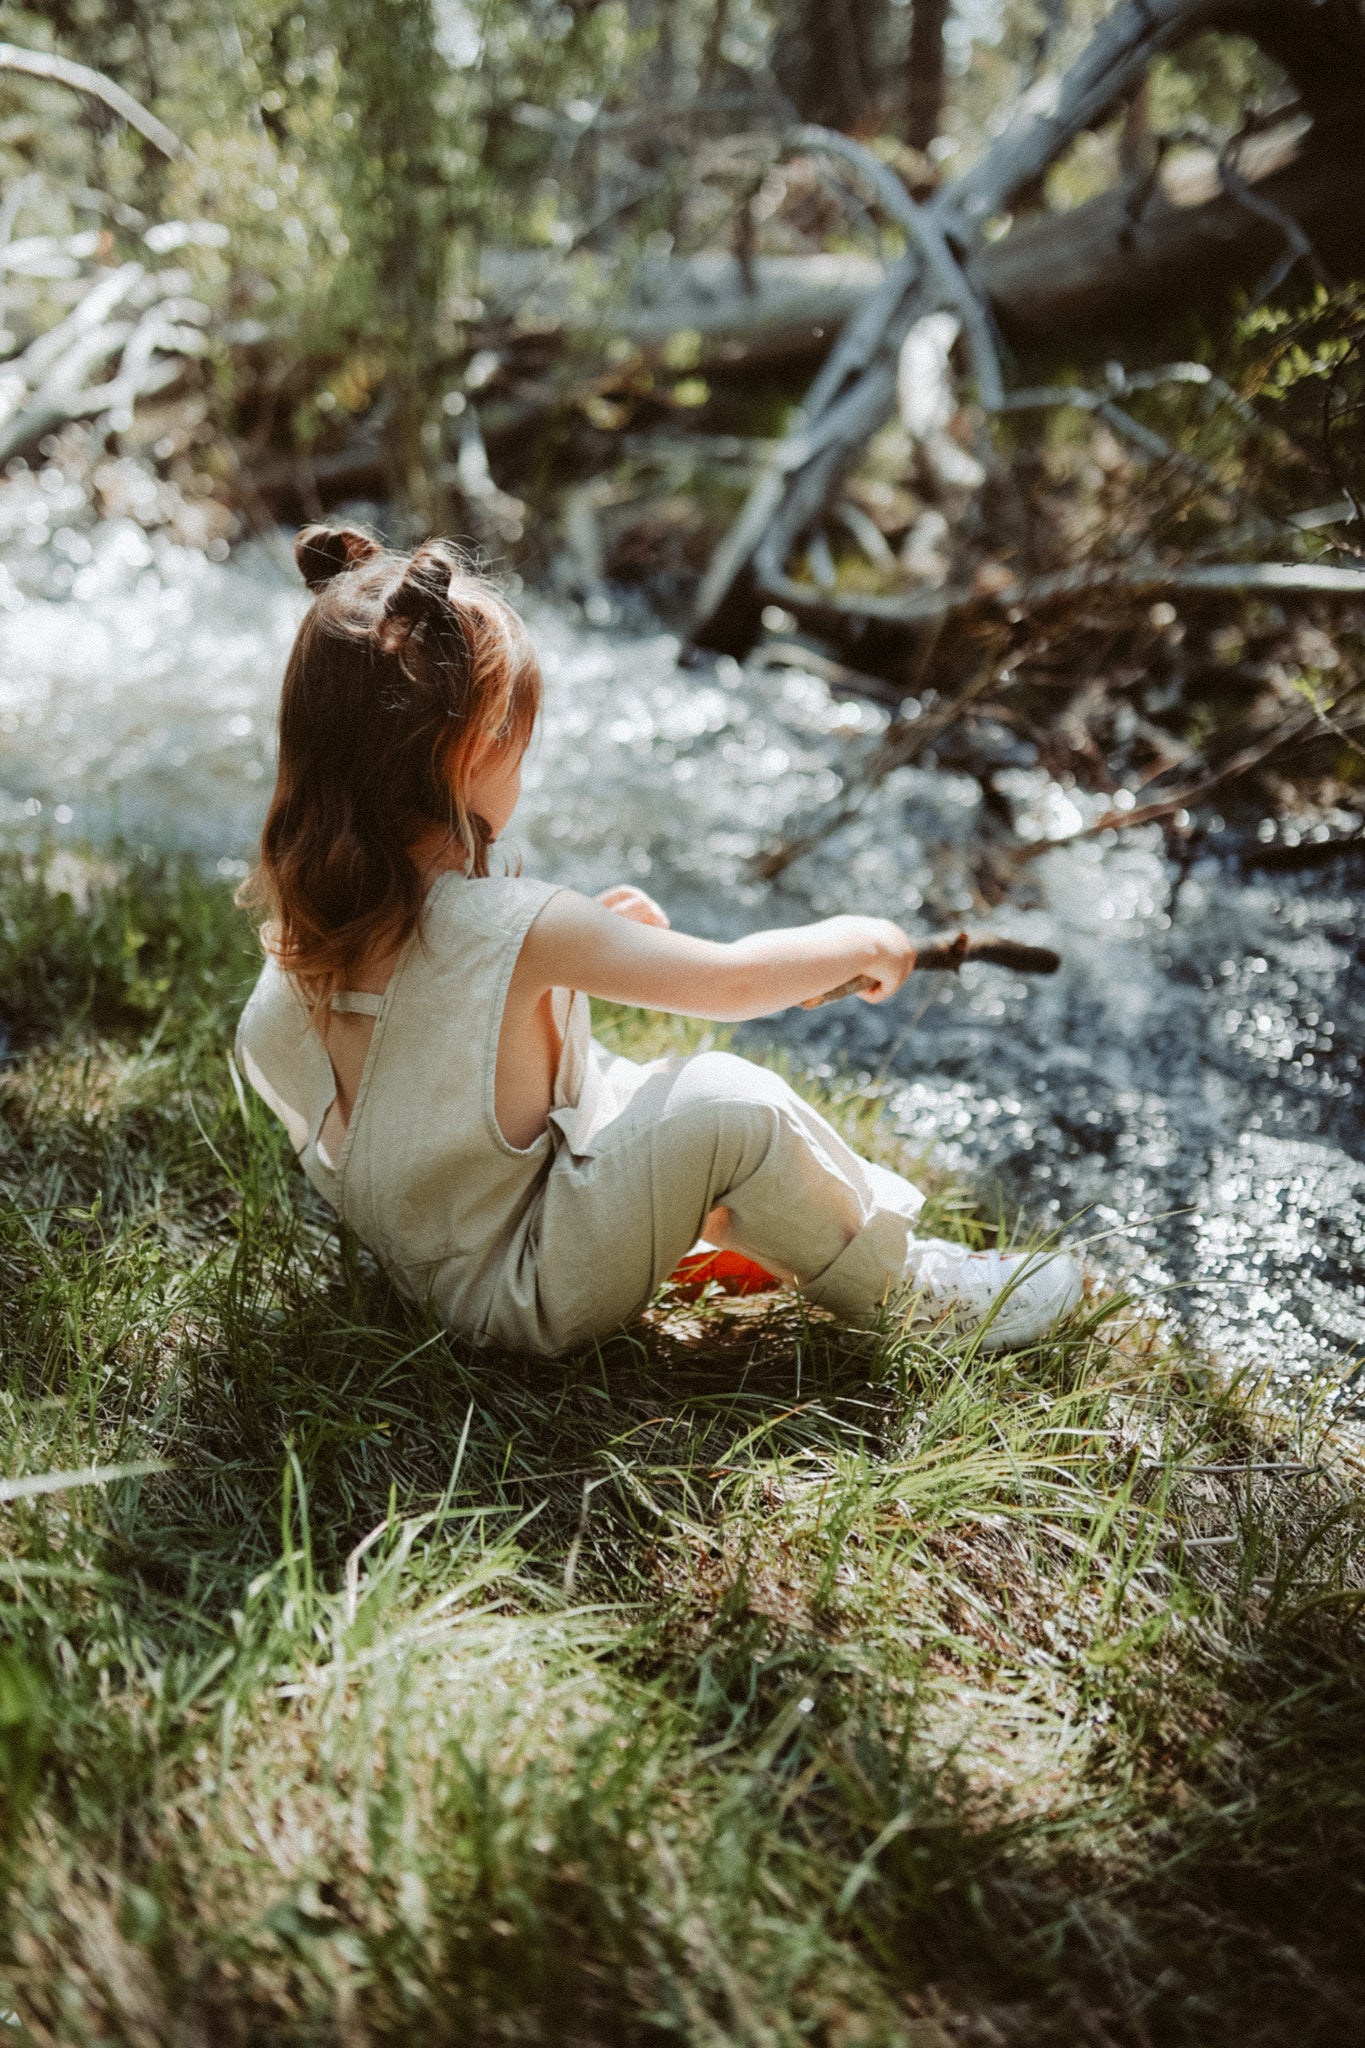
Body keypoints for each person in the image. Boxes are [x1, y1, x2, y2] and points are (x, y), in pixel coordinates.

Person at [235, 527, 1083, 1358]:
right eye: (516, 741)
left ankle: (739, 1229)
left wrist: (583, 948)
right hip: (521, 1289)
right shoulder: (515, 924)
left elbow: (435, 1047)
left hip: (429, 1255)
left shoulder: (308, 927)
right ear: (473, 750)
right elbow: (732, 984)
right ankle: (905, 1291)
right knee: (725, 1106)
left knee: (627, 1086)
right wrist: (856, 937)